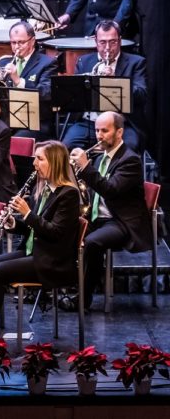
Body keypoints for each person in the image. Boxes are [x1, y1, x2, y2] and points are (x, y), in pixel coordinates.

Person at [0, 141, 81, 343]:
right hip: (34, 252)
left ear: (55, 162)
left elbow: (55, 233)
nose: (34, 163)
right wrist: (12, 224)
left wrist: (27, 213)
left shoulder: (68, 194)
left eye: (40, 159)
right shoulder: (43, 189)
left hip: (52, 261)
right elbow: (32, 228)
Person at [67, 112, 149, 311]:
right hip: (99, 217)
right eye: (97, 130)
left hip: (122, 221)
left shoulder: (130, 160)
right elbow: (93, 191)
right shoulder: (100, 158)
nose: (99, 135)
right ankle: (53, 289)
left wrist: (85, 166)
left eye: (105, 130)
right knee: (61, 229)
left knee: (93, 243)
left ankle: (83, 301)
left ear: (119, 132)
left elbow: (110, 190)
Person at [63, 19, 147, 151]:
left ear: (119, 40)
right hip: (89, 123)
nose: (107, 48)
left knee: (128, 149)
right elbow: (75, 99)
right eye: (102, 42)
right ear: (95, 41)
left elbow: (141, 95)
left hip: (121, 125)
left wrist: (114, 80)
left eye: (112, 42)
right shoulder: (84, 61)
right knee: (65, 147)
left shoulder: (136, 62)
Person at [0, 20, 56, 137]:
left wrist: (18, 81)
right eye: (13, 43)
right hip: (6, 120)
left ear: (32, 41)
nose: (17, 47)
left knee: (13, 140)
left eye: (21, 42)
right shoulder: (3, 61)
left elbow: (46, 93)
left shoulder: (47, 63)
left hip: (35, 122)